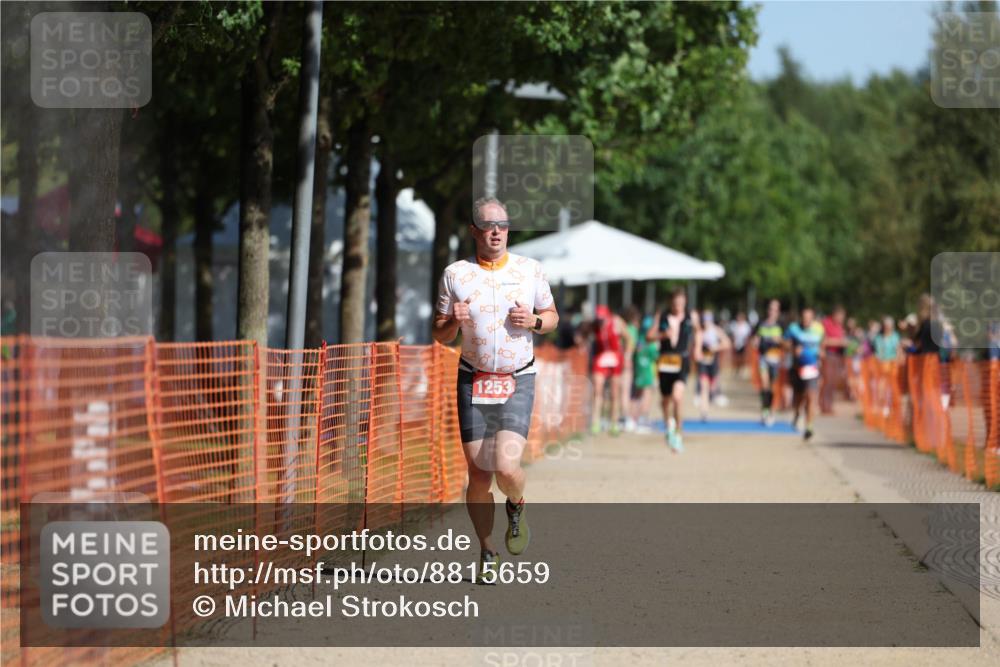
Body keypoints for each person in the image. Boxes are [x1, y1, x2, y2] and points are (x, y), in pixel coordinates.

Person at [432, 197, 558, 583]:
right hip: (473, 377)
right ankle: (487, 551)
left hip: (517, 377)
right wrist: (453, 320)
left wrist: (535, 320)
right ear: (474, 231)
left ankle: (516, 505)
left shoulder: (529, 270)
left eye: (502, 225)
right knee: (479, 473)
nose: (496, 232)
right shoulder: (455, 274)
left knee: (505, 467)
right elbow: (439, 333)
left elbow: (552, 317)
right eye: (488, 226)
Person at [647, 288, 701, 452]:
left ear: (685, 302)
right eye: (676, 302)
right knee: (665, 401)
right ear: (671, 302)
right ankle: (669, 426)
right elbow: (649, 336)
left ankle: (678, 433)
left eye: (681, 302)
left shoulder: (692, 316)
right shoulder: (661, 316)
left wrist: (697, 348)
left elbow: (699, 331)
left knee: (677, 397)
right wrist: (662, 336)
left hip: (682, 360)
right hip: (664, 361)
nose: (678, 305)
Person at [785, 306, 825, 441]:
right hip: (797, 368)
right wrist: (793, 349)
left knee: (811, 396)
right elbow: (784, 343)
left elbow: (822, 344)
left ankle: (809, 426)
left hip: (812, 367)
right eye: (804, 318)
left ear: (813, 318)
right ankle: (797, 414)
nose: (806, 321)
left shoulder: (819, 329)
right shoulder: (793, 329)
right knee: (798, 397)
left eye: (809, 318)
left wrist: (821, 353)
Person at [590, 304, 626, 435]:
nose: (601, 322)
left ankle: (614, 422)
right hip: (601, 357)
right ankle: (595, 422)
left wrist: (627, 355)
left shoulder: (617, 322)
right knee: (597, 388)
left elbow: (629, 338)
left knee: (614, 392)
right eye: (599, 319)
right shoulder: (594, 325)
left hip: (615, 357)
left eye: (603, 319)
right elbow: (584, 333)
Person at [752, 299, 784, 427]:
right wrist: (756, 342)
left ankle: (771, 410)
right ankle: (764, 410)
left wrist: (779, 340)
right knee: (764, 385)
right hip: (764, 359)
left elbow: (786, 342)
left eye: (775, 310)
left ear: (778, 312)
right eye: (771, 309)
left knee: (772, 387)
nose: (772, 312)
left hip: (776, 360)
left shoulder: (781, 325)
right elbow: (754, 339)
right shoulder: (761, 324)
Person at [695, 310, 731, 421]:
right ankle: (704, 412)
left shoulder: (716, 330)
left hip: (713, 364)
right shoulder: (700, 332)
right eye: (705, 319)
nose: (706, 322)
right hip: (703, 364)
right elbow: (697, 348)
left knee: (712, 388)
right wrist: (699, 355)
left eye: (708, 319)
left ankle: (712, 396)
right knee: (704, 387)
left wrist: (716, 347)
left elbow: (727, 343)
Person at [819, 306, 848, 414]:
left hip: (838, 355)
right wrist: (839, 342)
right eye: (840, 316)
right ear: (835, 315)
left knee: (833, 382)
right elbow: (823, 341)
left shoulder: (839, 326)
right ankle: (824, 405)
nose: (841, 319)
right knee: (828, 381)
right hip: (829, 355)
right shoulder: (826, 323)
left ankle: (829, 405)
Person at [729, 311, 753, 379]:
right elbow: (733, 335)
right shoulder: (734, 325)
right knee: (736, 358)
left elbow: (748, 336)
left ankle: (741, 371)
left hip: (743, 345)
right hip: (736, 344)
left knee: (742, 358)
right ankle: (736, 370)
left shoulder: (746, 326)